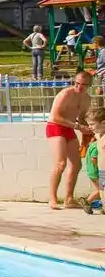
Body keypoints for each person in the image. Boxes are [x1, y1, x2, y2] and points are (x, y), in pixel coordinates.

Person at [46, 71, 92, 210]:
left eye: (83, 85)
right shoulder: (65, 94)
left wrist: (88, 129)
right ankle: (53, 199)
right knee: (61, 163)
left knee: (77, 164)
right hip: (55, 127)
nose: (79, 87)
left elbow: (82, 117)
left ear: (89, 85)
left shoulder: (87, 99)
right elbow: (56, 117)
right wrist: (78, 126)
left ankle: (69, 198)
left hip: (70, 128)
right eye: (77, 83)